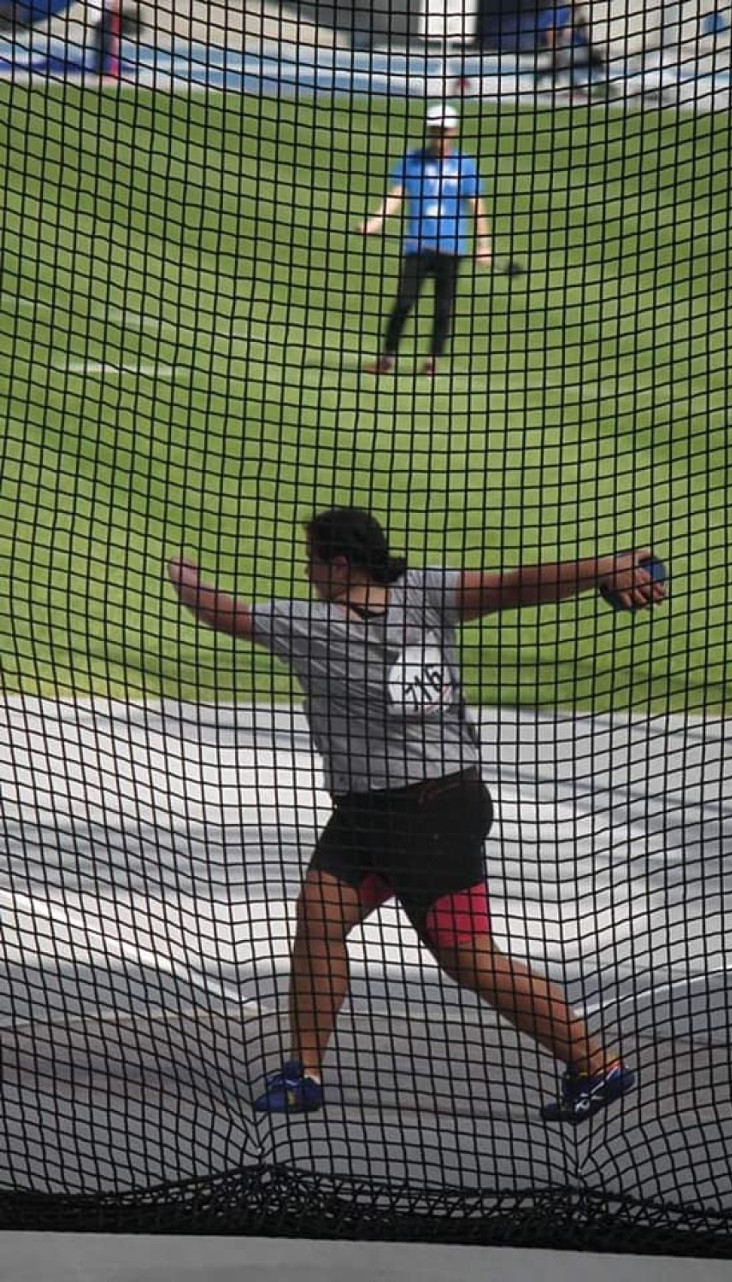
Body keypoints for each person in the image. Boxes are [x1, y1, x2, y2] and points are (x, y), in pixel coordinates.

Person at [168, 508, 666, 1124]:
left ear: (340, 564)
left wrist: (185, 581)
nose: (306, 572)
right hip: (369, 814)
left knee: (468, 957)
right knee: (320, 920)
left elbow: (227, 616)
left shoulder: (309, 623)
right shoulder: (423, 592)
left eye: (312, 560)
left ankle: (597, 1065)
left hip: (432, 812)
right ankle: (304, 1073)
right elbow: (514, 585)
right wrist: (603, 568)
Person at [357, 104, 492, 378]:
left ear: (453, 132)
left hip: (451, 248)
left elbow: (476, 204)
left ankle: (432, 361)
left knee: (444, 307)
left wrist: (483, 245)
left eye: (443, 130)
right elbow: (397, 194)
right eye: (434, 130)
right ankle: (387, 358)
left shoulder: (464, 164)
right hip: (418, 245)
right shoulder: (413, 159)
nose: (438, 135)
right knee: (404, 302)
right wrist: (375, 222)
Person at [535, 3, 609, 92]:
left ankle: (574, 86)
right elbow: (551, 30)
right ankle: (569, 86)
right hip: (566, 46)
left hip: (573, 46)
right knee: (564, 64)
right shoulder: (563, 12)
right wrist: (554, 48)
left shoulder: (575, 14)